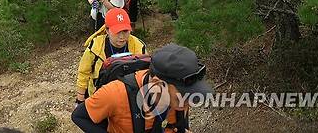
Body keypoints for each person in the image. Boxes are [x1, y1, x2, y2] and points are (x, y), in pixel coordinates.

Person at [72, 43, 213, 133]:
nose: (190, 100)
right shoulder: (115, 93)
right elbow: (78, 116)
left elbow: (178, 126)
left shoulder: (182, 99)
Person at [75, 8, 146, 105]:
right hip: (100, 97)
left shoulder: (139, 47)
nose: (122, 36)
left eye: (125, 31)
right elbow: (84, 73)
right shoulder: (95, 47)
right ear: (107, 30)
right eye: (117, 32)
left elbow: (146, 75)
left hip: (129, 99)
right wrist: (80, 99)